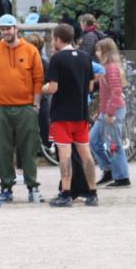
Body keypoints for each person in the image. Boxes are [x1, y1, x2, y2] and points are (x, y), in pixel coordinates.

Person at [0, 15, 45, 203]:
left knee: (29, 148)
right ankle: (6, 187)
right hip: (1, 107)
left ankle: (33, 187)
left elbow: (38, 79)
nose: (5, 32)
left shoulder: (31, 50)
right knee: (2, 148)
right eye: (2, 29)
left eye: (8, 28)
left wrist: (36, 104)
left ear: (16, 29)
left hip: (26, 107)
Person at [42, 23, 98, 207]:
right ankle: (92, 193)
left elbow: (53, 87)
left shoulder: (57, 59)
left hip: (62, 114)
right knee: (86, 154)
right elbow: (90, 86)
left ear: (58, 39)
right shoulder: (84, 57)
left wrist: (43, 88)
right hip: (81, 113)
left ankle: (66, 193)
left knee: (65, 155)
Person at [90, 38, 130, 188]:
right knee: (93, 140)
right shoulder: (105, 67)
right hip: (106, 111)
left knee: (113, 144)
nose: (96, 53)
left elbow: (116, 92)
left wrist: (110, 113)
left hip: (113, 111)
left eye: (98, 50)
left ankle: (122, 177)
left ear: (105, 51)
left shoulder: (111, 68)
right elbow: (105, 94)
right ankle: (109, 170)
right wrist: (100, 111)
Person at [24, 33, 52, 155]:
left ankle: (47, 146)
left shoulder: (43, 62)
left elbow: (48, 80)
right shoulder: (23, 60)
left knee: (43, 123)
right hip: (26, 98)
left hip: (40, 97)